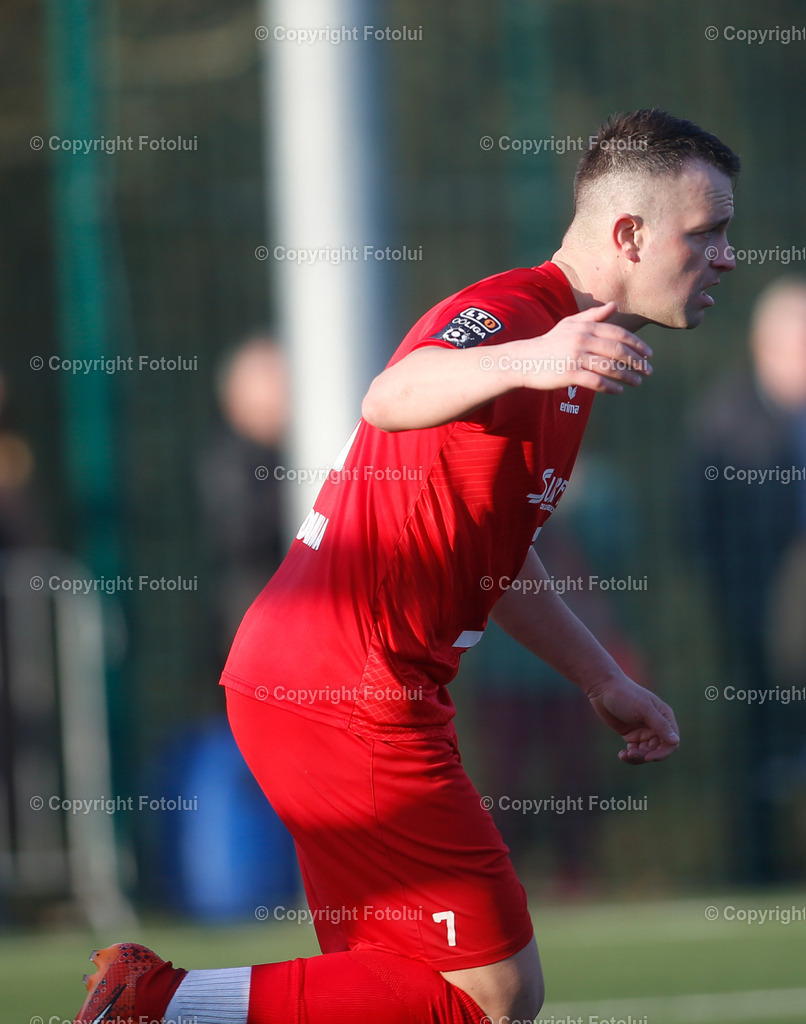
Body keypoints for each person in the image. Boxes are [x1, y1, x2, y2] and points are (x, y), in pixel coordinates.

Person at [73, 108, 739, 1024]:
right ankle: (155, 1001)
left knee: (398, 984)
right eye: (707, 233)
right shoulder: (518, 317)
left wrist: (602, 676)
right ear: (630, 233)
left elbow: (499, 555)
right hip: (347, 693)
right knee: (495, 995)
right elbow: (392, 393)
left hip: (327, 686)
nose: (727, 257)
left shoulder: (562, 348)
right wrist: (531, 355)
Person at [687, 276, 806, 881]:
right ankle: (759, 868)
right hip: (756, 613)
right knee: (759, 742)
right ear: (766, 346)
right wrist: (735, 603)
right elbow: (699, 526)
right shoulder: (724, 419)